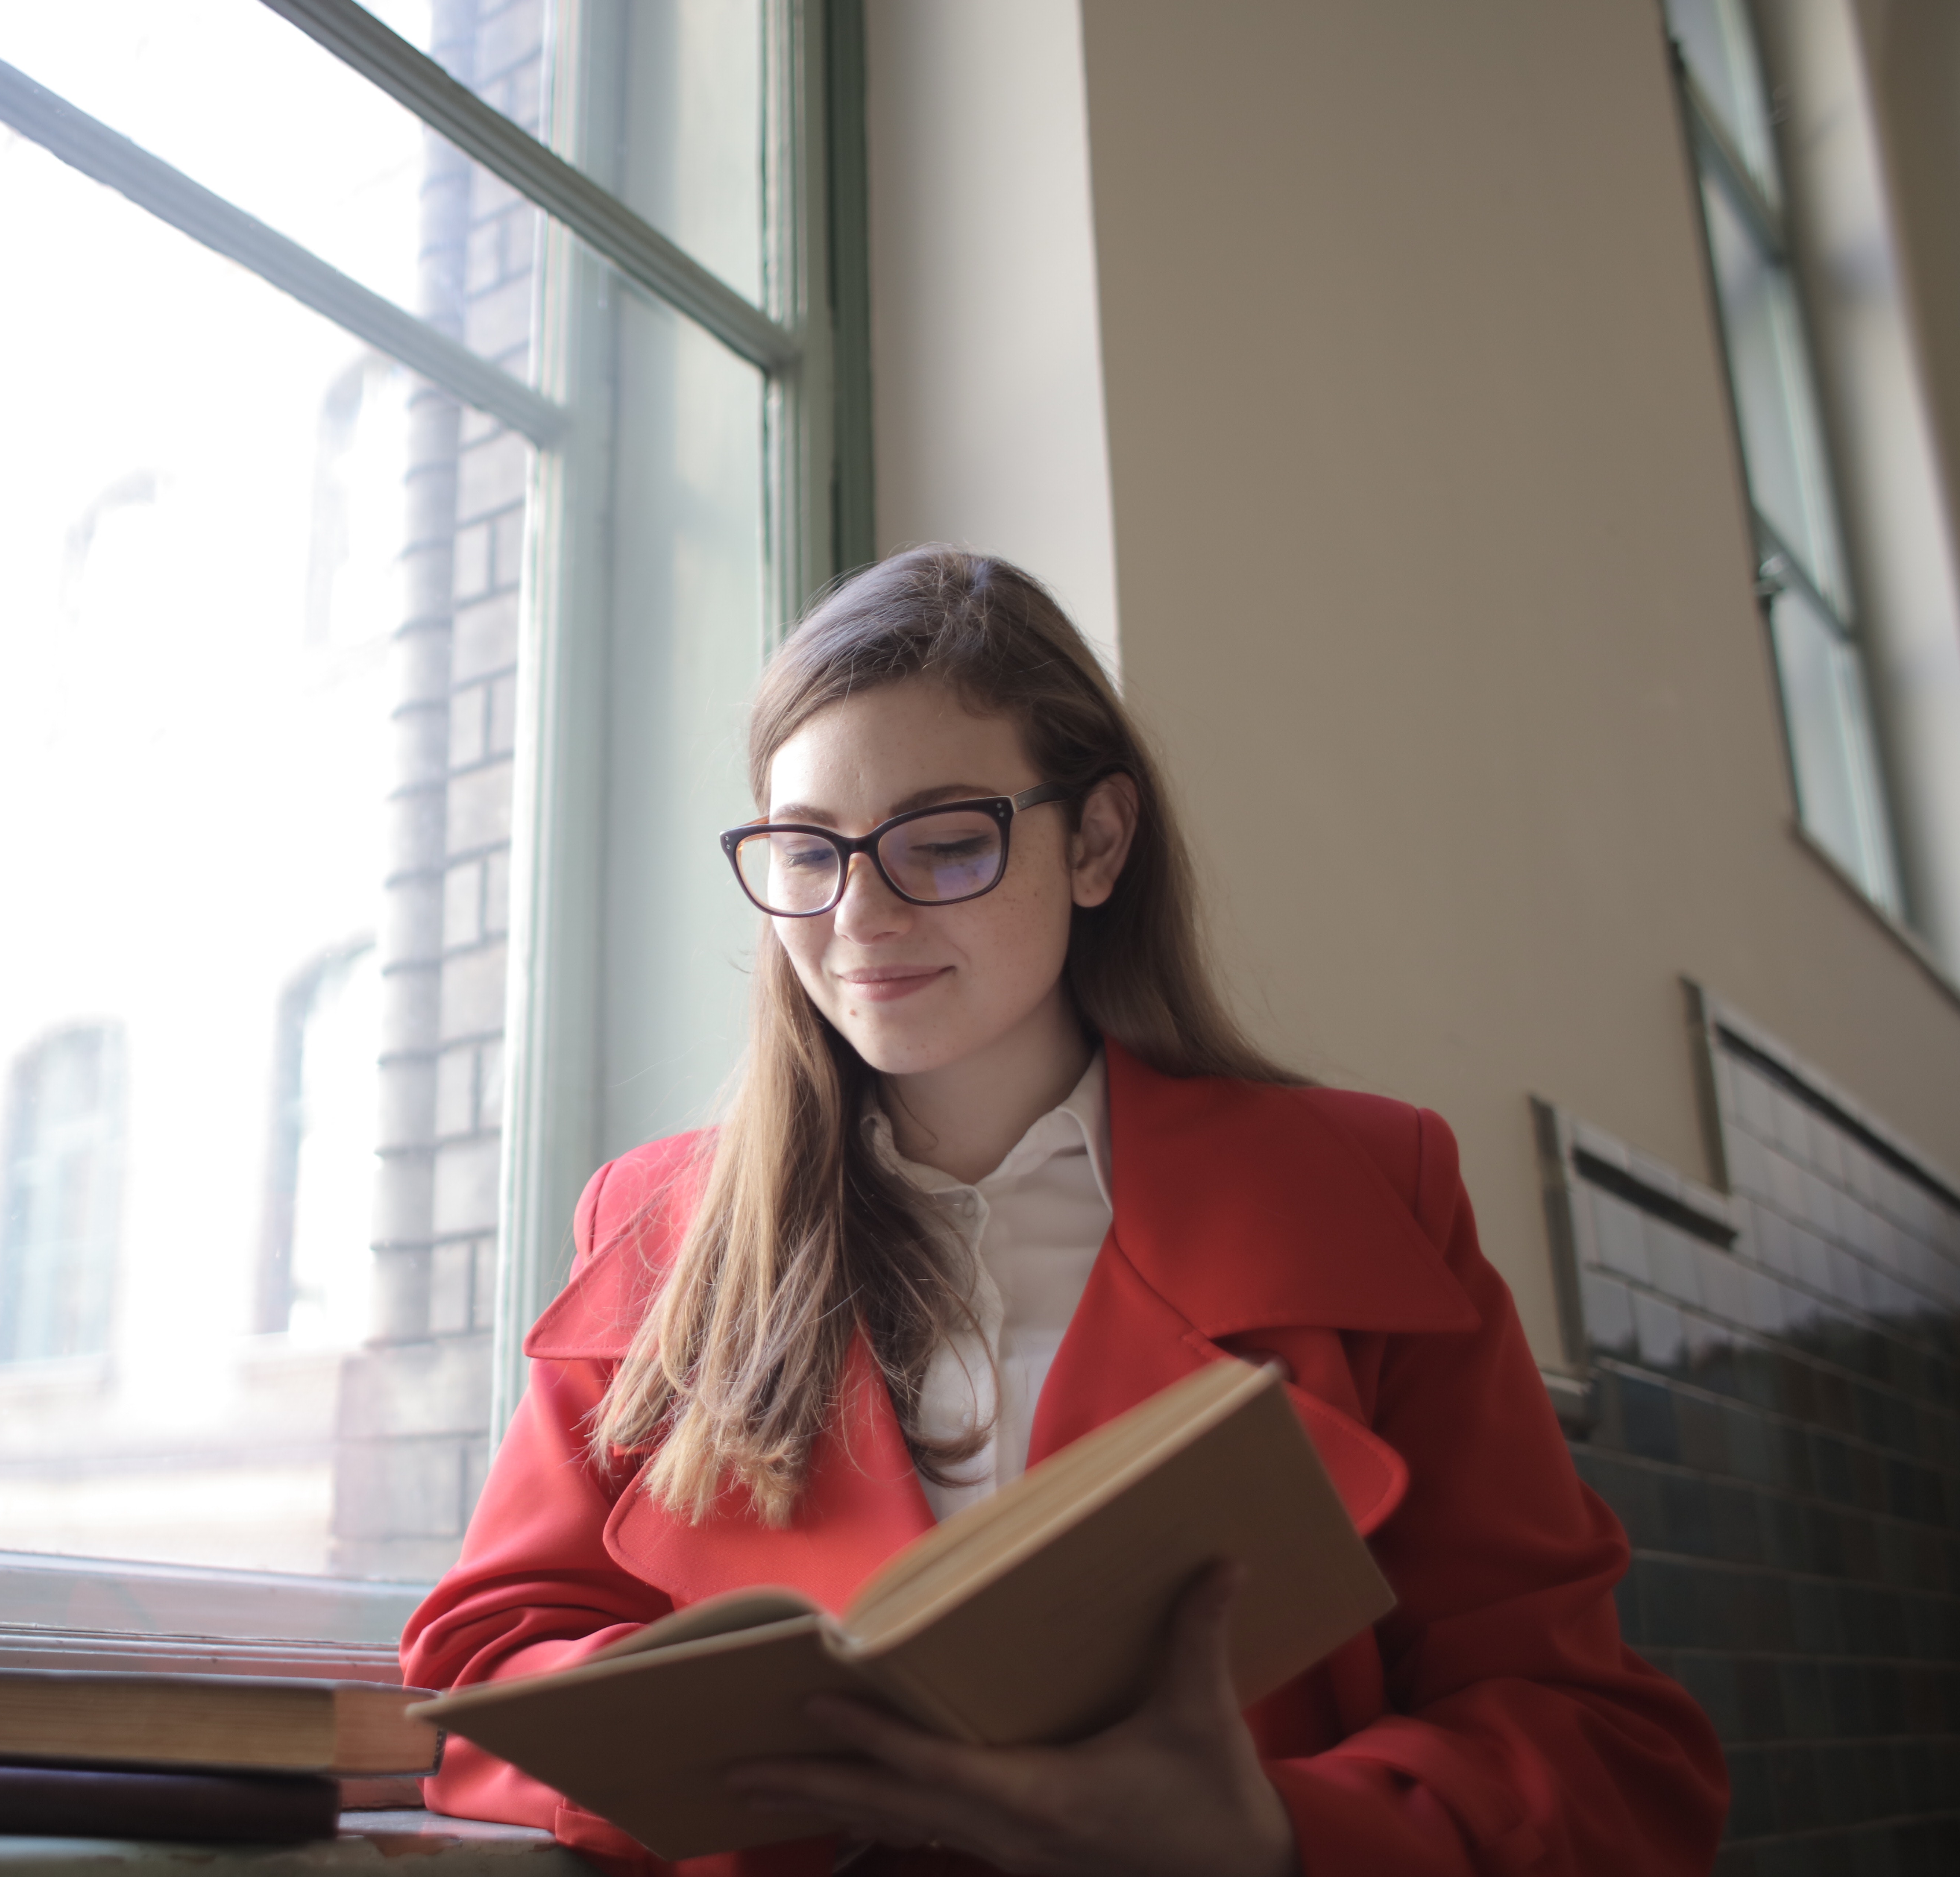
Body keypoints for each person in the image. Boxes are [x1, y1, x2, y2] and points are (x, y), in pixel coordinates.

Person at [397, 548, 1729, 1877]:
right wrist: (745, 1761)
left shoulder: (1371, 1187)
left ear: (1096, 842)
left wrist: (1270, 1834)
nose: (859, 914)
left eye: (947, 842)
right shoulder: (656, 1225)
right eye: (807, 852)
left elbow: (1595, 1749)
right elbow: (481, 1668)